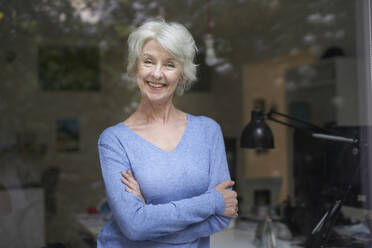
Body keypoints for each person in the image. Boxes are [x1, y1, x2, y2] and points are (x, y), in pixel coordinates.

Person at [97, 19, 238, 248]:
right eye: (148, 62)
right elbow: (134, 226)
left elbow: (223, 216)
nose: (157, 74)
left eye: (170, 65)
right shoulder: (114, 141)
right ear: (135, 68)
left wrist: (148, 215)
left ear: (181, 75)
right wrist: (212, 201)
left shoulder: (208, 131)